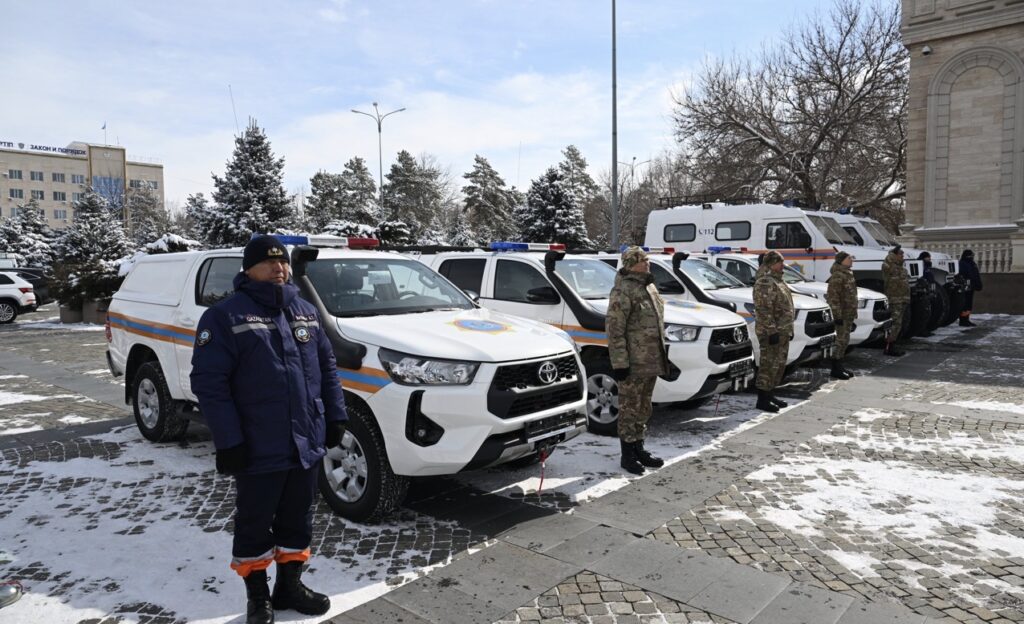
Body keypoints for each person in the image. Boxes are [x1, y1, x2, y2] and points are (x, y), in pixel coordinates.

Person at [191, 235, 348, 624]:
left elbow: (327, 368)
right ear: (249, 269)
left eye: (283, 262)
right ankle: (258, 596)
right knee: (255, 520)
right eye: (269, 262)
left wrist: (336, 415)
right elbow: (209, 384)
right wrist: (229, 441)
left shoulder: (305, 311)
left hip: (305, 440)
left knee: (298, 517)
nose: (279, 268)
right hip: (257, 442)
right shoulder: (225, 316)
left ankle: (289, 586)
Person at [606, 246, 668, 475]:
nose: (648, 263)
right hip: (633, 363)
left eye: (647, 259)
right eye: (643, 260)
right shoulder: (623, 290)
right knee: (629, 409)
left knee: (644, 407)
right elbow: (615, 330)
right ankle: (627, 454)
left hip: (651, 360)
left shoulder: (649, 286)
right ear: (632, 264)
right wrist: (620, 363)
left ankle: (639, 448)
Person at [753, 251, 794, 412]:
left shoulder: (778, 280)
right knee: (768, 365)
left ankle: (770, 394)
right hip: (770, 331)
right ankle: (762, 399)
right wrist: (771, 331)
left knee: (778, 365)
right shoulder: (765, 282)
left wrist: (789, 329)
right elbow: (763, 309)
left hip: (782, 330)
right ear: (771, 264)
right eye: (779, 262)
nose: (783, 265)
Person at [825, 251, 856, 380]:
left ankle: (840, 365)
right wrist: (837, 316)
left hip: (848, 314)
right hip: (841, 314)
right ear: (842, 260)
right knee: (840, 341)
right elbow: (833, 297)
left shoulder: (848, 274)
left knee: (845, 340)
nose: (851, 260)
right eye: (849, 258)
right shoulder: (838, 275)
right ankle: (835, 368)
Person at [881, 245, 909, 356]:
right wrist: (892, 254)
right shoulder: (888, 266)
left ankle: (893, 345)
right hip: (894, 299)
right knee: (895, 324)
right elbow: (887, 265)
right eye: (901, 254)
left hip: (903, 299)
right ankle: (889, 347)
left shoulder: (902, 268)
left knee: (899, 324)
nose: (903, 256)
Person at [959, 249, 983, 326]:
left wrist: (978, 283)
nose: (972, 257)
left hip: (972, 286)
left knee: (969, 304)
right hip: (966, 286)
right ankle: (963, 321)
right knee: (965, 304)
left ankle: (967, 319)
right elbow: (964, 275)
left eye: (972, 255)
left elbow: (976, 274)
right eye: (970, 255)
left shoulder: (972, 263)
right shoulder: (962, 263)